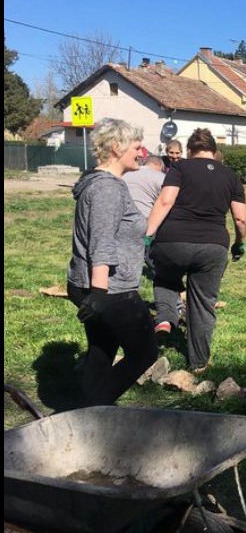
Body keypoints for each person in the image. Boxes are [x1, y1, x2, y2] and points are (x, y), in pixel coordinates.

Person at [67, 118, 158, 406]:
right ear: (117, 147)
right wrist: (99, 294)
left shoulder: (98, 182)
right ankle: (93, 412)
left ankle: (88, 412)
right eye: (137, 146)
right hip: (109, 289)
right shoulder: (108, 189)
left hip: (94, 285)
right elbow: (102, 241)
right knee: (144, 353)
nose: (142, 152)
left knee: (101, 350)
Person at [146, 128, 246, 373]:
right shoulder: (230, 176)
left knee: (165, 279)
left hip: (173, 242)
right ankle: (199, 363)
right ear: (214, 150)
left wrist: (148, 234)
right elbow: (240, 219)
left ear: (190, 150)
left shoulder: (180, 168)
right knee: (203, 304)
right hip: (213, 246)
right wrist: (239, 243)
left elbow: (165, 201)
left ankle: (165, 319)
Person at [122, 154, 166, 280]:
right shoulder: (160, 177)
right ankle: (160, 275)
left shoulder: (126, 174)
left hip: (124, 217)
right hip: (146, 218)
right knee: (149, 250)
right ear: (159, 167)